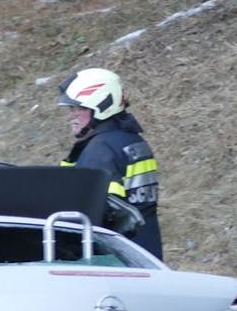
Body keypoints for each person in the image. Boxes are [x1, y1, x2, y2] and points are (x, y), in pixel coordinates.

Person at [57, 68, 162, 258]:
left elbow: (98, 214)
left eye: (79, 108)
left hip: (116, 259)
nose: (71, 115)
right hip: (145, 253)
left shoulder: (101, 150)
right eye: (71, 109)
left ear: (101, 107)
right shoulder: (130, 139)